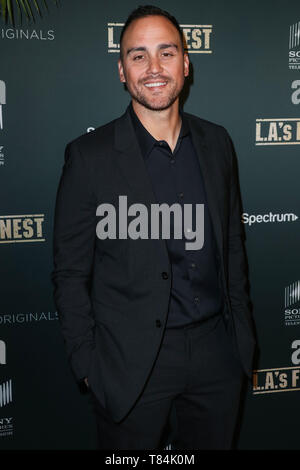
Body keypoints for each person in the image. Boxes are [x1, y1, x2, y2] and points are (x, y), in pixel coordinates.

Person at [52, 5, 256, 450]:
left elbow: (233, 246)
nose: (154, 68)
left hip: (216, 354)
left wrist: (241, 341)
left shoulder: (218, 142)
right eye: (138, 55)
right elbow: (70, 272)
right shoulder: (89, 157)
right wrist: (88, 364)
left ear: (186, 63)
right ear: (121, 71)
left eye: (166, 52)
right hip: (130, 363)